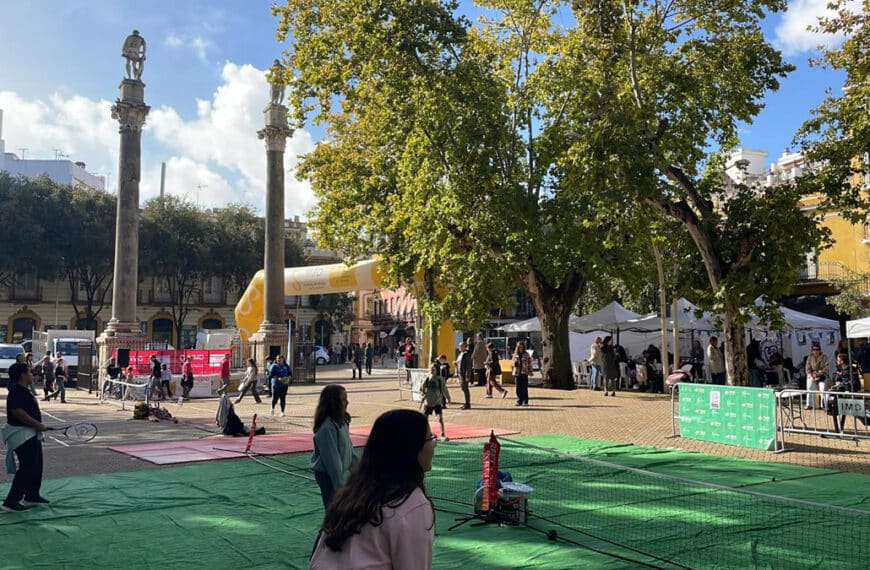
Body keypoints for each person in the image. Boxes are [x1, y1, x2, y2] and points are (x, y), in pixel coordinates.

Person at [309, 409, 435, 569]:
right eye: (430, 438)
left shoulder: (352, 492)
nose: (433, 444)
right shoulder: (412, 504)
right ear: (412, 448)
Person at [2, 363, 49, 512]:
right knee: (27, 467)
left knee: (36, 465)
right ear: (22, 374)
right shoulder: (17, 391)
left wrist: (37, 426)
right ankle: (11, 501)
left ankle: (32, 495)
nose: (32, 374)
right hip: (22, 435)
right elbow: (17, 412)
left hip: (31, 433)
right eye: (29, 372)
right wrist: (37, 424)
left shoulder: (23, 390)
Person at [311, 385, 358, 509]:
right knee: (334, 509)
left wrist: (359, 472)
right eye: (343, 399)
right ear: (334, 403)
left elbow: (349, 449)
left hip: (336, 473)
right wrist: (340, 486)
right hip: (327, 475)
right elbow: (332, 460)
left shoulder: (342, 421)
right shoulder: (327, 428)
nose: (347, 402)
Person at [421, 357, 451, 440]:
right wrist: (423, 396)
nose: (431, 370)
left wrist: (448, 398)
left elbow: (444, 389)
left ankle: (443, 434)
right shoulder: (427, 378)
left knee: (440, 418)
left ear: (437, 370)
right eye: (430, 368)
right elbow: (421, 388)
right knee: (425, 419)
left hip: (437, 402)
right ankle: (426, 433)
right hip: (428, 402)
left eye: (433, 369)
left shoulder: (440, 379)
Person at [805, 343, 830, 409]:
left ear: (820, 350)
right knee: (809, 388)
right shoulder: (810, 357)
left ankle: (823, 405)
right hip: (812, 374)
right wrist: (810, 375)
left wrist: (819, 373)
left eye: (817, 349)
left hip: (821, 375)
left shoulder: (824, 357)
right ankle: (809, 404)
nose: (815, 351)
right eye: (814, 349)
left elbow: (826, 367)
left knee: (823, 389)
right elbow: (807, 367)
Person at [512, 341, 532, 406]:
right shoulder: (515, 354)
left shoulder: (526, 354)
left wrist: (530, 371)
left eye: (522, 347)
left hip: (524, 372)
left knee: (524, 387)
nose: (520, 348)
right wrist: (514, 363)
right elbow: (512, 363)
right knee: (518, 387)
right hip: (517, 372)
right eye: (519, 347)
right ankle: (519, 400)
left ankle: (525, 401)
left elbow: (529, 362)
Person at [456, 341, 473, 409]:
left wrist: (467, 375)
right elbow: (460, 363)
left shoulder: (467, 354)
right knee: (463, 388)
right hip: (460, 373)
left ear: (464, 346)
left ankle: (467, 404)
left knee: (465, 388)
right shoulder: (461, 354)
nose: (459, 347)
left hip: (464, 374)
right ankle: (466, 403)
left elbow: (469, 366)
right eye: (459, 346)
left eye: (460, 346)